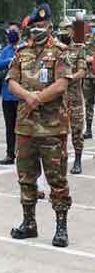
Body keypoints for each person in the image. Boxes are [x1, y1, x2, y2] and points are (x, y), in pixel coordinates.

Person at [7, 3, 73, 248]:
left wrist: (37, 98)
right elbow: (12, 82)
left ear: (51, 25)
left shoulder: (60, 51)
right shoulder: (21, 52)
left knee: (57, 179)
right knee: (26, 177)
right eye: (35, 26)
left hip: (53, 128)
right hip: (25, 127)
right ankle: (29, 223)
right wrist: (27, 96)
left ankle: (61, 227)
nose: (39, 29)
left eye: (43, 25)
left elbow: (61, 84)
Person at [59, 19, 88, 174]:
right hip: (60, 99)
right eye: (61, 29)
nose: (64, 33)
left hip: (75, 98)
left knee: (77, 131)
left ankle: (77, 160)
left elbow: (82, 71)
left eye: (67, 30)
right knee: (60, 132)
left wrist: (69, 78)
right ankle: (61, 159)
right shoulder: (57, 49)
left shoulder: (79, 49)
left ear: (72, 31)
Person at [0, 23, 21, 165]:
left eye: (14, 31)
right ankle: (10, 154)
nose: (11, 33)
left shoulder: (24, 49)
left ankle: (22, 153)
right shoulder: (6, 50)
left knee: (21, 126)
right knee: (9, 126)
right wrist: (9, 61)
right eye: (10, 31)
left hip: (20, 94)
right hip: (7, 94)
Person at [84, 23, 95, 139]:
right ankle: (88, 130)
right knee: (88, 104)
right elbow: (82, 52)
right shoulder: (86, 38)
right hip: (88, 75)